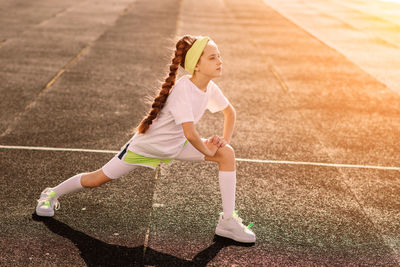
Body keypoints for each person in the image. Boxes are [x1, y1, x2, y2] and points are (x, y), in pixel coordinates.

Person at [35, 35, 256, 243]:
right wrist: (208, 150)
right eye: (212, 57)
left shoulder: (210, 88)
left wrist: (222, 142)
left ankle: (227, 221)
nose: (220, 60)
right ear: (196, 65)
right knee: (98, 179)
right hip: (147, 147)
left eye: (219, 55)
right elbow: (191, 133)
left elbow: (230, 112)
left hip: (177, 145)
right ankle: (51, 193)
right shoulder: (183, 91)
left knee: (227, 154)